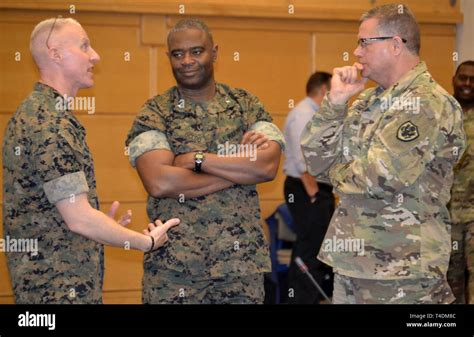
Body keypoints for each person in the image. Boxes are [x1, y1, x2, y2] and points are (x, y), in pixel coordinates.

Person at [2, 17, 179, 304]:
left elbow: (64, 214)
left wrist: (100, 226)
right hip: (57, 293)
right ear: (55, 53)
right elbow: (78, 219)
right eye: (84, 46)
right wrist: (145, 242)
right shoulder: (49, 123)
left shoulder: (37, 113)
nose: (95, 56)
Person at [300, 3, 466, 304]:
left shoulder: (425, 103)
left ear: (395, 45)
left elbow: (379, 177)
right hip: (353, 260)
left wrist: (339, 172)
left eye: (364, 42)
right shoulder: (367, 101)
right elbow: (316, 161)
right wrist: (336, 103)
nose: (356, 52)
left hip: (403, 268)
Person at [125, 18, 285, 304]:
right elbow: (160, 182)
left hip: (241, 268)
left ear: (214, 52)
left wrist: (196, 160)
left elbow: (267, 166)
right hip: (174, 270)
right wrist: (238, 170)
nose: (187, 60)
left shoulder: (245, 105)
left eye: (197, 51)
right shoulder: (155, 112)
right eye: (178, 54)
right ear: (169, 58)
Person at [283, 71, 335, 304]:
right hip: (307, 187)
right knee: (311, 248)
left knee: (314, 247)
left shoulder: (311, 114)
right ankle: (301, 300)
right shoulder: (304, 115)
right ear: (325, 90)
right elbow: (303, 158)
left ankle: (306, 298)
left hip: (313, 188)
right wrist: (314, 193)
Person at [448, 60, 474, 303]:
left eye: (472, 79)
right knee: (451, 282)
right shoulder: (442, 113)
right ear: (453, 80)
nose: (467, 84)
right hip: (447, 218)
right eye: (462, 78)